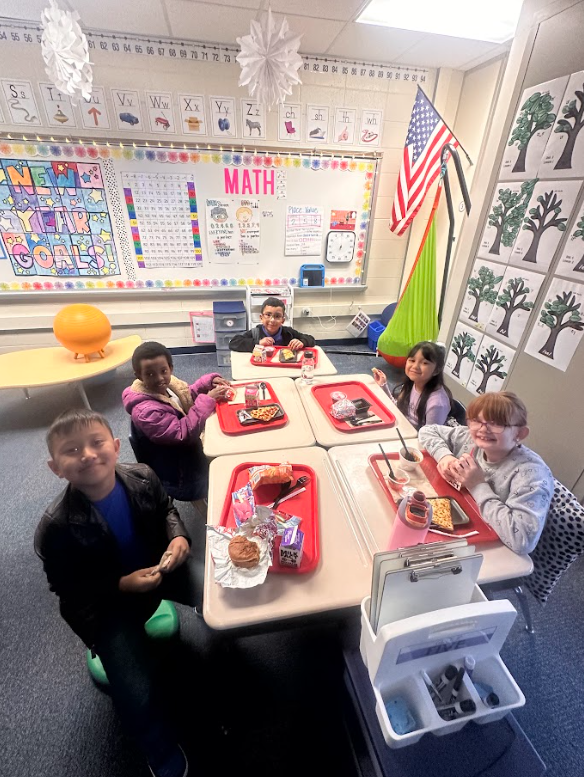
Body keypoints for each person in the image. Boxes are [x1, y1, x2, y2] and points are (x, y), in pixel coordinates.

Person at [35, 408, 197, 777]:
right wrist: (119, 584)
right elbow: (66, 589)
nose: (88, 454)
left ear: (116, 446)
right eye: (72, 450)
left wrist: (178, 537)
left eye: (96, 443)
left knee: (219, 588)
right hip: (109, 608)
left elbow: (166, 509)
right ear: (55, 468)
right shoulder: (55, 526)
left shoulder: (142, 476)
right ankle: (159, 752)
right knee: (136, 691)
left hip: (160, 571)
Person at [419, 391, 554, 555]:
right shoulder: (468, 437)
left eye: (497, 424)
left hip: (491, 550)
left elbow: (522, 541)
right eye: (476, 421)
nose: (483, 429)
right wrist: (444, 456)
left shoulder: (531, 475)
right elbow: (427, 431)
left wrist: (477, 485)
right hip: (458, 519)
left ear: (519, 434)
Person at [122, 341, 229, 502]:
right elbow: (182, 434)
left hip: (188, 455)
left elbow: (186, 396)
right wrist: (207, 400)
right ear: (138, 376)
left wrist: (208, 382)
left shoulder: (168, 385)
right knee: (228, 468)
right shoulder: (146, 412)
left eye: (163, 371)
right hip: (181, 477)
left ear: (171, 368)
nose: (159, 378)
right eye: (150, 374)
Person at [372, 341, 452, 429]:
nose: (415, 366)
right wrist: (383, 385)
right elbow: (398, 409)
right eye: (412, 360)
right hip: (402, 428)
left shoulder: (437, 404)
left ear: (437, 370)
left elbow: (430, 435)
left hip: (415, 436)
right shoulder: (412, 383)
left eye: (425, 363)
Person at [228, 296, 316, 352]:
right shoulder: (256, 333)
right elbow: (233, 343)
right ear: (261, 318)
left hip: (282, 367)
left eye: (277, 316)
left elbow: (311, 339)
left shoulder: (288, 333)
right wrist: (258, 343)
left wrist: (302, 342)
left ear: (283, 320)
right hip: (261, 367)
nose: (272, 320)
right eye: (268, 315)